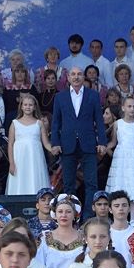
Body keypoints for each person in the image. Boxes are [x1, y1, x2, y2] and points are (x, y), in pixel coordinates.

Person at [50, 66, 108, 209]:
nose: (76, 77)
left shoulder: (93, 95)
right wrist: (55, 143)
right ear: (68, 77)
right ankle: (71, 215)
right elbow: (56, 122)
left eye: (79, 74)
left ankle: (88, 216)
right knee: (68, 184)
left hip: (88, 144)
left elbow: (99, 120)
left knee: (91, 183)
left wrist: (102, 142)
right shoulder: (60, 97)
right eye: (73, 74)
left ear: (83, 77)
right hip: (67, 144)